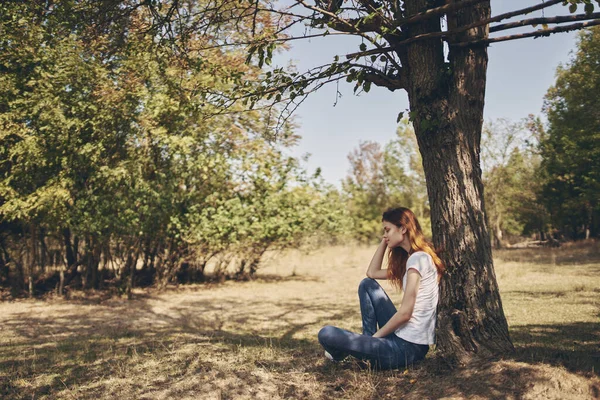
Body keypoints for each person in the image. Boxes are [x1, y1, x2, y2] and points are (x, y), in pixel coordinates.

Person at [318, 207, 445, 369]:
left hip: (408, 348)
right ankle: (366, 347)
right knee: (367, 284)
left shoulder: (418, 260)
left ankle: (358, 350)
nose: (384, 235)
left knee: (326, 333)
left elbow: (405, 314)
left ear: (403, 229)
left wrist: (375, 339)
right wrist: (385, 242)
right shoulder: (412, 259)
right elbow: (372, 273)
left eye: (387, 230)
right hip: (401, 336)